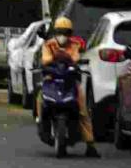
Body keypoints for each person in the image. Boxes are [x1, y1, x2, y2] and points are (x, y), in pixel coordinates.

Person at [39, 16, 99, 158]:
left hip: (70, 80)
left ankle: (90, 144)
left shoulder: (75, 44)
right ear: (55, 32)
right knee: (39, 98)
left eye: (66, 32)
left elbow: (77, 57)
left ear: (70, 34)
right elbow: (45, 60)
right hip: (52, 78)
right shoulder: (48, 44)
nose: (62, 36)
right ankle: (41, 122)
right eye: (60, 32)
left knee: (83, 110)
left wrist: (70, 62)